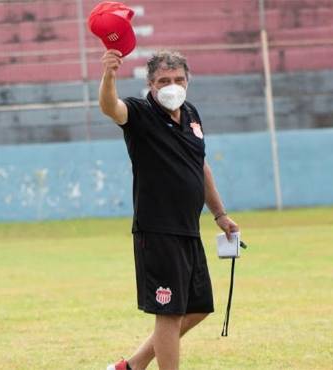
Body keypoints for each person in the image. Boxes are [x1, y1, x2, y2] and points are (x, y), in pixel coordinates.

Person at [100, 49, 239, 370]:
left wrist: (220, 214)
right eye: (164, 80)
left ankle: (131, 366)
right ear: (150, 84)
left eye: (178, 79)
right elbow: (110, 107)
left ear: (188, 81)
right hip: (158, 229)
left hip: (189, 229)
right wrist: (109, 75)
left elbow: (199, 165)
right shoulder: (138, 113)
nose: (172, 86)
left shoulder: (191, 114)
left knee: (198, 307)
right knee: (170, 312)